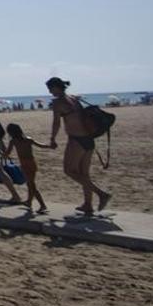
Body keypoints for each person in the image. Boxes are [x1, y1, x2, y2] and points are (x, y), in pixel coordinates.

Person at [47, 77, 111, 214]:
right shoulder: (74, 98)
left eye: (50, 89)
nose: (50, 92)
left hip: (76, 140)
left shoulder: (58, 103)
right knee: (84, 174)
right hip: (89, 140)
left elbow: (56, 123)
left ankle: (102, 194)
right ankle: (88, 205)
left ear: (56, 87)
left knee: (69, 171)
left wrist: (52, 138)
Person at [4, 123, 56, 213]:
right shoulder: (28, 140)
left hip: (24, 164)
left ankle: (42, 205)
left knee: (32, 185)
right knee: (30, 183)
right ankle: (29, 202)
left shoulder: (13, 141)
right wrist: (50, 146)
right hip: (32, 163)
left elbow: (7, 153)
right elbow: (41, 146)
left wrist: (2, 155)